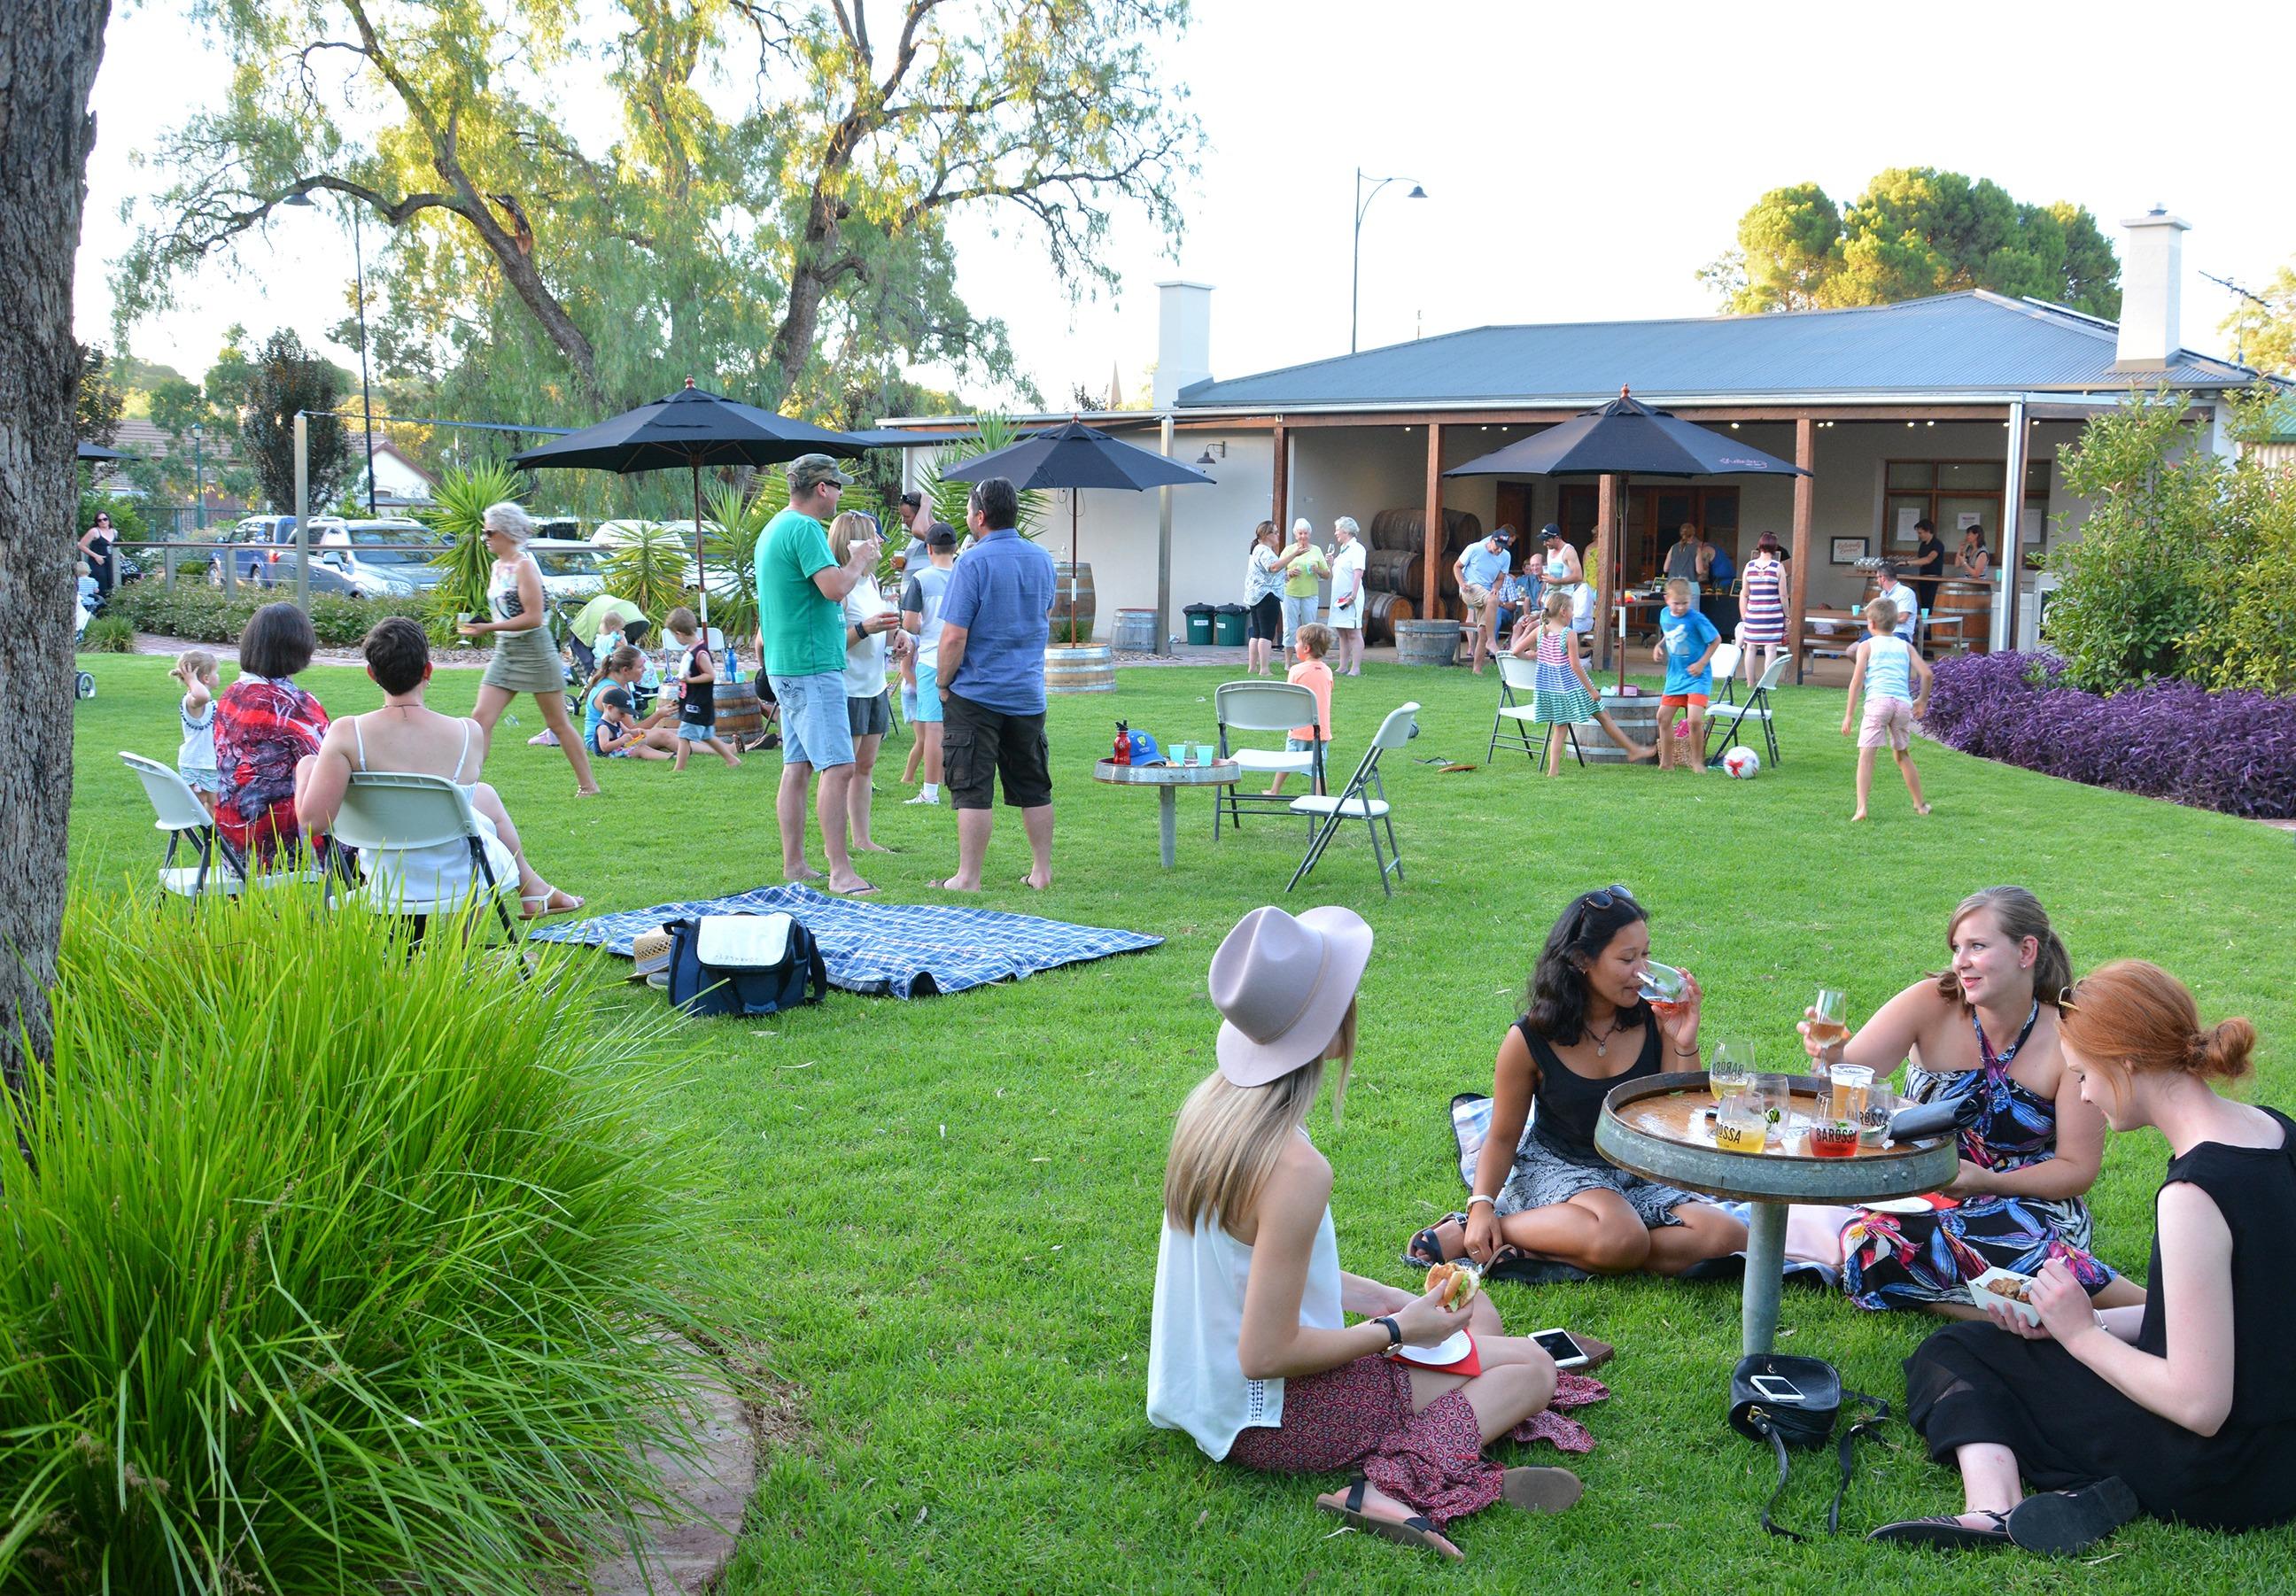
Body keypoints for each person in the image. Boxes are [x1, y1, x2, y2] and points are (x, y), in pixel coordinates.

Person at [1149, 904, 1603, 1561]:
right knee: (1528, 1370)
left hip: (1207, 1396)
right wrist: (1397, 1331)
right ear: (1332, 1033)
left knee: (1485, 1319)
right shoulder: (1295, 1168)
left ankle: (1462, 1402)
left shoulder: (1212, 1112)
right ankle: (1395, 1480)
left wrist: (1381, 1300)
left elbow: (1252, 1270)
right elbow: (1265, 1355)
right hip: (1274, 1419)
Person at [1873, 960, 2294, 1553]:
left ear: (2125, 1064)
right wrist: (2080, 1320)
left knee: (1954, 1353)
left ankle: (1993, 1510)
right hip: (2281, 1450)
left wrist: (2080, 1338)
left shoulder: (2194, 1195)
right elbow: (2250, 1313)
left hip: (2218, 1470)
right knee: (2013, 1345)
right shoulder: (2274, 1132)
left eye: (2082, 1076)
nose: (2086, 1095)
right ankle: (2087, 1492)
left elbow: (2200, 1405)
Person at [1783, 886, 2147, 1320]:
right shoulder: (1928, 1003)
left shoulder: (2068, 1037)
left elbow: (2076, 1170)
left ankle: (2148, 1308)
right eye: (1957, 947)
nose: (1961, 961)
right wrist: (1831, 1056)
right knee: (1873, 1242)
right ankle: (2044, 1318)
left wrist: (1986, 1182)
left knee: (2024, 1246)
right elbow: (1843, 1093)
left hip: (2027, 1203)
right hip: (1925, 1197)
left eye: (1977, 946)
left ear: (2026, 951)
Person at [1407, 886, 1745, 1278]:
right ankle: (1485, 1229)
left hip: (1633, 1169)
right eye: (1627, 958)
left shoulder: (1653, 1017)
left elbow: (1681, 1114)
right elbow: (1501, 1136)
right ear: (1583, 960)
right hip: (1560, 1165)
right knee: (1621, 1235)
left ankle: (1560, 1242)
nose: (1643, 972)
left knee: (1728, 1236)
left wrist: (1682, 1039)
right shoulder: (1530, 1038)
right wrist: (1481, 1205)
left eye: (1646, 955)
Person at [296, 616, 580, 920]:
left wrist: (305, 768)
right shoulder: (468, 733)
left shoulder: (346, 733)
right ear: (428, 670)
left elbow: (313, 822)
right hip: (459, 879)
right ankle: (478, 941)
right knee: (479, 804)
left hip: (387, 879)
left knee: (482, 799)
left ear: (371, 674)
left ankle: (532, 892)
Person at [757, 453, 882, 895]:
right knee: (840, 766)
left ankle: (795, 865)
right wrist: (860, 560)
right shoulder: (805, 528)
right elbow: (834, 588)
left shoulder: (774, 526)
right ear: (823, 489)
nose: (841, 494)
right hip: (812, 666)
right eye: (838, 486)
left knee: (797, 766)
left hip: (786, 665)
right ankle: (841, 871)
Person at [931, 476, 1057, 894]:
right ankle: (1041, 872)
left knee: (972, 786)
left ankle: (968, 878)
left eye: (969, 510)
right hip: (1027, 692)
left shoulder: (972, 562)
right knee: (1034, 783)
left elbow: (953, 636)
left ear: (980, 517)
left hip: (977, 692)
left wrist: (944, 683)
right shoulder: (1042, 559)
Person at [461, 502, 598, 795]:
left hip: (535, 651)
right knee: (480, 718)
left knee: (557, 723)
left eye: (489, 532)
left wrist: (488, 628)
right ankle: (467, 787)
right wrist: (489, 625)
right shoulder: (497, 567)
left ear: (507, 533)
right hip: (506, 651)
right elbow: (507, 613)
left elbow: (534, 617)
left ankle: (588, 785)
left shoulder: (524, 567)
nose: (485, 538)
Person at [213, 602, 330, 864]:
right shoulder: (292, 705)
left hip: (234, 846)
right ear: (299, 648)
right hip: (280, 844)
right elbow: (328, 766)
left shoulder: (230, 696)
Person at [1516, 591, 1654, 773]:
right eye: (1572, 609)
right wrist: (1591, 690)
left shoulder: (1540, 631)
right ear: (1564, 611)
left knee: (1568, 725)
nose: (1573, 613)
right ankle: (1632, 750)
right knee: (1595, 718)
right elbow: (1576, 666)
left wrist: (1533, 655)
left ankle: (1554, 771)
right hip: (1571, 688)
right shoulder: (1568, 634)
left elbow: (1516, 651)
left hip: (1551, 690)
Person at [833, 510, 903, 856]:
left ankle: (862, 839)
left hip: (875, 687)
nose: (878, 544)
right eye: (872, 537)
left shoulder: (871, 583)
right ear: (855, 543)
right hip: (849, 689)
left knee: (866, 768)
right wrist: (865, 629)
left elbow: (882, 632)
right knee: (844, 771)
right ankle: (840, 844)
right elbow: (832, 643)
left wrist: (897, 636)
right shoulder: (840, 588)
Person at [1842, 598, 1933, 821]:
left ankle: (1862, 807)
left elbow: (1857, 682)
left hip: (1878, 703)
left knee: (1866, 755)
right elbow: (1927, 674)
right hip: (1902, 705)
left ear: (1871, 623)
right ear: (1895, 623)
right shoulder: (1905, 646)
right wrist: (1921, 700)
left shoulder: (1866, 646)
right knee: (1902, 755)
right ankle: (1920, 805)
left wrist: (1849, 715)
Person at [899, 522, 958, 804]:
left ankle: (930, 792)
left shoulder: (921, 578)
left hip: (932, 661)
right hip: (963, 661)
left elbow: (910, 624)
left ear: (929, 548)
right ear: (956, 548)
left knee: (934, 730)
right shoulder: (965, 574)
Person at [1650, 578, 1719, 773]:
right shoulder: (1664, 615)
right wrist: (1659, 645)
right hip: (1676, 676)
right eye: (1676, 603)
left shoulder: (1697, 619)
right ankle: (1666, 762)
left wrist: (1701, 663)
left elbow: (1716, 640)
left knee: (1694, 720)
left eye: (1685, 603)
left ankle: (1697, 762)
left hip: (1698, 676)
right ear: (1666, 600)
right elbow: (1669, 632)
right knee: (1663, 718)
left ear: (1690, 599)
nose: (1681, 608)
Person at [664, 606, 741, 772]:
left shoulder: (700, 653)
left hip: (698, 703)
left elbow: (710, 675)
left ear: (679, 633)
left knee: (683, 736)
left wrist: (690, 680)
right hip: (692, 700)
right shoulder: (691, 650)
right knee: (706, 735)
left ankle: (679, 769)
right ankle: (732, 759)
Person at [1267, 622, 1333, 799]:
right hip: (1321, 730)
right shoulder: (1327, 671)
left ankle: (1275, 790)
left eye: (1296, 642)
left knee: (1288, 760)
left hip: (1299, 728)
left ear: (1306, 647)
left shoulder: (1296, 670)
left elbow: (1290, 698)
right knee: (1319, 768)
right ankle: (1321, 799)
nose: (1294, 646)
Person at [585, 647, 677, 761]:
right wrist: (659, 715)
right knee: (663, 735)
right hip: (604, 742)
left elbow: (630, 730)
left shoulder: (622, 683)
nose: (644, 669)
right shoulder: (611, 691)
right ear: (625, 670)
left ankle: (701, 742)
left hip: (619, 736)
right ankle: (688, 754)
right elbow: (630, 730)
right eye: (640, 666)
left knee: (676, 732)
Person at [1453, 525, 1516, 676]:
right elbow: (1457, 567)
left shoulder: (1506, 556)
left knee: (1482, 631)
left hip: (1487, 593)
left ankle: (1477, 669)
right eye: (1498, 546)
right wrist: (1462, 583)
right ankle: (1492, 642)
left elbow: (1500, 578)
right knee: (1494, 600)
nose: (1499, 550)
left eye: (1503, 548)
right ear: (1492, 540)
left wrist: (1496, 586)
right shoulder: (1474, 549)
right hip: (1470, 589)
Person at [168, 648, 222, 813]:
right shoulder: (192, 701)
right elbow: (202, 696)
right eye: (216, 672)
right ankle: (187, 837)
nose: (218, 676)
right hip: (195, 763)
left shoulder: (209, 703)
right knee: (195, 806)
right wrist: (192, 680)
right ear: (206, 678)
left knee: (215, 804)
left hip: (210, 762)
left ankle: (212, 837)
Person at [1737, 532, 1789, 686]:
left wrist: (1744, 615)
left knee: (1750, 648)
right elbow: (1783, 595)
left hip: (1753, 614)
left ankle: (1750, 682)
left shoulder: (1749, 566)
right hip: (1772, 614)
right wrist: (1787, 615)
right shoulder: (1777, 567)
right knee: (1770, 649)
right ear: (1775, 548)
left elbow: (1744, 593)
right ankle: (1766, 683)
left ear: (1759, 546)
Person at [1276, 518, 1330, 648]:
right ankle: (1288, 661)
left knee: (1310, 628)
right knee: (1290, 627)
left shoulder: (1316, 550)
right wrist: (1289, 573)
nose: (1303, 536)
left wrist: (1317, 570)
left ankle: (1308, 658)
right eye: (1300, 533)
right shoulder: (1289, 550)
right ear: (1295, 535)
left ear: (1310, 534)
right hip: (1290, 593)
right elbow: (1276, 572)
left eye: (1305, 533)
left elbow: (1327, 575)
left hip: (1310, 594)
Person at [1243, 521, 1286, 678]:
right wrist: (1292, 556)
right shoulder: (1264, 551)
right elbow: (1273, 567)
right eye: (1275, 532)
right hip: (1267, 596)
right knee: (1266, 633)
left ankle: (1252, 667)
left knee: (1256, 632)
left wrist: (1287, 574)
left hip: (1254, 595)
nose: (1278, 535)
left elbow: (1269, 573)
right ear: (1267, 535)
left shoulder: (1256, 550)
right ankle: (1264, 669)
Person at [1327, 516, 1368, 676]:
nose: (1335, 533)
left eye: (1337, 530)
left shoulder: (1357, 549)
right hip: (1338, 598)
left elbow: (1358, 573)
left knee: (1353, 632)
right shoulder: (1343, 550)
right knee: (1342, 632)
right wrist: (1331, 563)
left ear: (1346, 531)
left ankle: (1355, 668)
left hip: (1350, 597)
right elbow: (1336, 576)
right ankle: (1342, 666)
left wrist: (1353, 596)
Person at [1873, 560, 1921, 649]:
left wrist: (1879, 618)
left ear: (1883, 578)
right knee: (1852, 650)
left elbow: (1902, 618)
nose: (1876, 580)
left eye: (1877, 578)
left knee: (1877, 648)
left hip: (1900, 633)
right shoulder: (1883, 594)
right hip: (1881, 632)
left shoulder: (1905, 592)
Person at [78, 509, 118, 596]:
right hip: (97, 562)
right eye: (99, 520)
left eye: (105, 519)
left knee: (112, 582)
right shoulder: (94, 531)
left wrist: (120, 554)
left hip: (111, 561)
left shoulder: (114, 532)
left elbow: (114, 547)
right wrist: (96, 556)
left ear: (108, 519)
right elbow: (81, 545)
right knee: (100, 583)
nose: (103, 522)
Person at [1908, 518, 1947, 597]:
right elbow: (1920, 559)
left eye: (1920, 533)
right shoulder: (1923, 544)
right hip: (1922, 577)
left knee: (1930, 602)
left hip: (1933, 579)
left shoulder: (1937, 544)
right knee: (1923, 602)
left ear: (1928, 531)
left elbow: (1929, 559)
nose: (1919, 536)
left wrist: (1908, 562)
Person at [1661, 523, 1703, 592]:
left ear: (1681, 533)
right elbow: (1699, 570)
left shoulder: (1673, 547)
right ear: (1693, 534)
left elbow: (1665, 569)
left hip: (1673, 585)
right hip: (1690, 586)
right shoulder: (1696, 549)